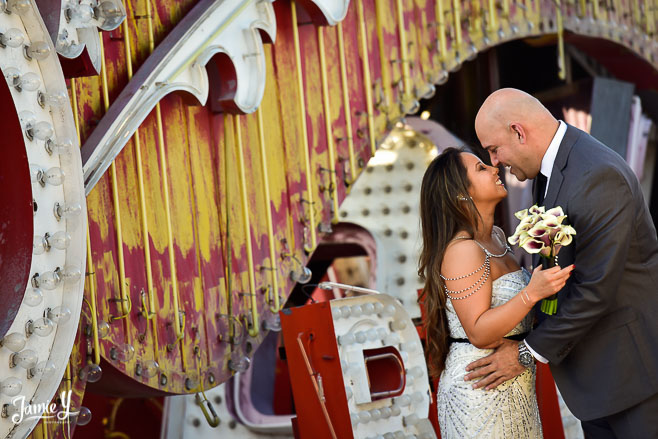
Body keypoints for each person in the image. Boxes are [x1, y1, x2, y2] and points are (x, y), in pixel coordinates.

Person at [467, 88, 658, 438]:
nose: (494, 162)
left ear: (519, 132)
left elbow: (595, 289)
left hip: (634, 378)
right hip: (600, 381)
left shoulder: (597, 174)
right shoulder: (551, 169)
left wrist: (526, 353)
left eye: (494, 149)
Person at [418, 147, 573, 438]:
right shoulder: (463, 250)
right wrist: (532, 293)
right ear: (460, 194)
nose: (493, 168)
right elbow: (478, 332)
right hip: (480, 387)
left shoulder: (498, 237)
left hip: (515, 382)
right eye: (480, 168)